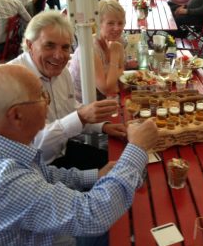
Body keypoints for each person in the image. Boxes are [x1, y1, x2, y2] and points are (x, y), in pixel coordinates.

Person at [0, 63, 159, 246]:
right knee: (133, 228)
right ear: (17, 115)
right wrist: (137, 147)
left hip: (46, 233)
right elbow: (92, 216)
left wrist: (96, 175)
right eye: (42, 96)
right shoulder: (3, 182)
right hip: (57, 240)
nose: (48, 102)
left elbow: (43, 176)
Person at [9, 11, 126, 170]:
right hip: (32, 168)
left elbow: (71, 108)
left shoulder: (61, 71)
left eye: (65, 47)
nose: (59, 56)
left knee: (122, 165)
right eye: (49, 45)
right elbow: (38, 145)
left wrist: (102, 126)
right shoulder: (14, 79)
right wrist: (81, 116)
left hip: (62, 151)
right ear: (30, 45)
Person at [69, 0, 125, 103]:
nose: (117, 28)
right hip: (81, 106)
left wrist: (112, 79)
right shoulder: (90, 49)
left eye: (120, 23)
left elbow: (121, 72)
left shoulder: (117, 41)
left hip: (102, 100)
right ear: (99, 24)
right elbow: (107, 90)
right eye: (111, 23)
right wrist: (115, 55)